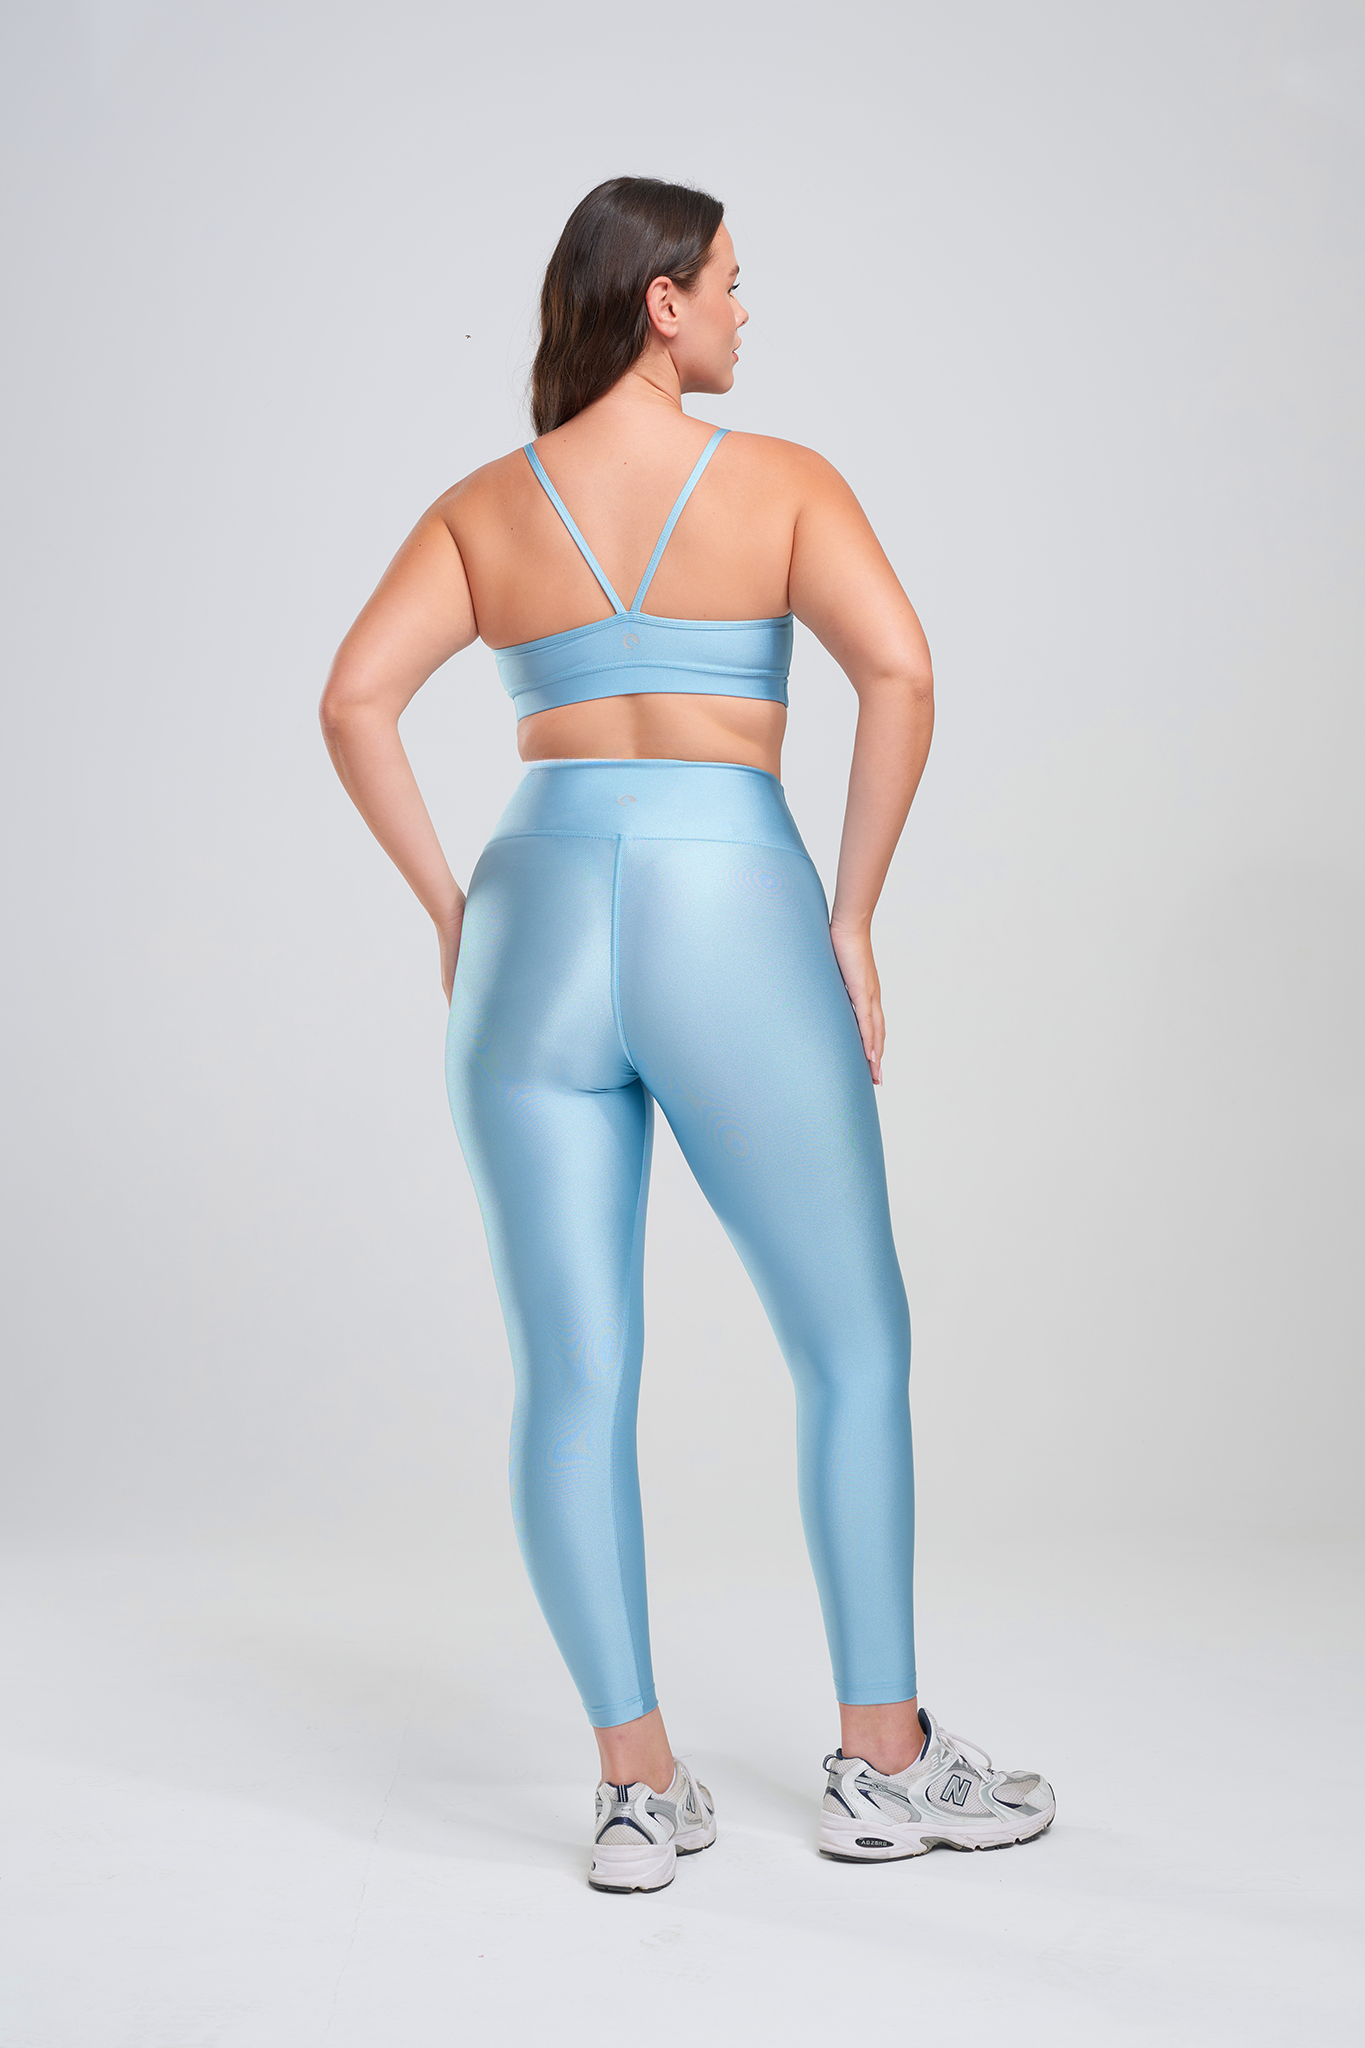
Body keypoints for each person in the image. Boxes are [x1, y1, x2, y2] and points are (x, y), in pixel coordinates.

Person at [320, 175, 1053, 1893]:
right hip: (731, 902)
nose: (740, 307)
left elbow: (354, 700)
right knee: (851, 1343)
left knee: (573, 1374)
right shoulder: (781, 483)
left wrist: (452, 911)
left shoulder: (482, 508)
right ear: (661, 301)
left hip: (535, 910)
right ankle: (884, 1766)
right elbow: (903, 674)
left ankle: (636, 1791)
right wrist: (851, 917)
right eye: (727, 280)